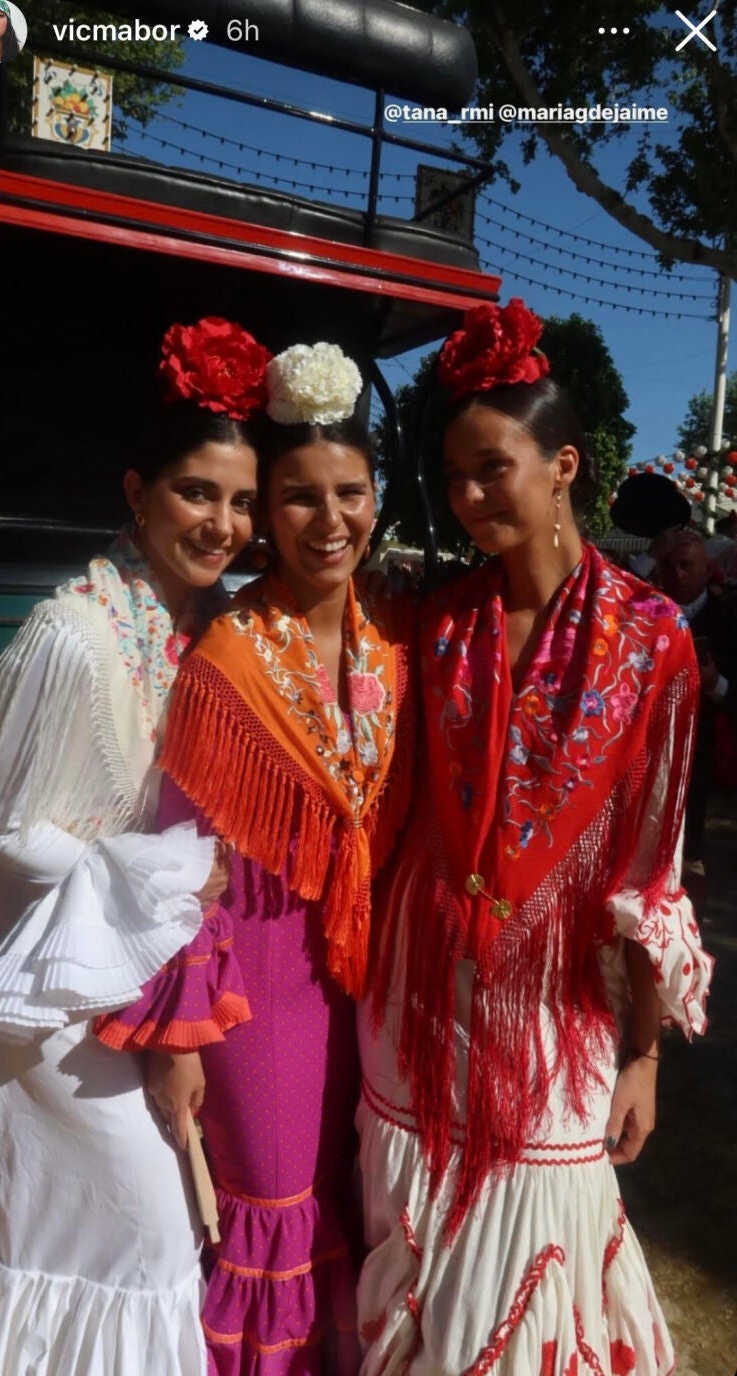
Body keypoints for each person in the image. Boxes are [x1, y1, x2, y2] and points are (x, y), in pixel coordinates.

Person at [357, 300, 713, 1375]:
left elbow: (650, 862)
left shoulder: (653, 642)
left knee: (534, 1247)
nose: (466, 497)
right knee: (412, 1249)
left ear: (561, 464)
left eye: (490, 468)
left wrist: (641, 1052)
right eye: (451, 474)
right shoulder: (431, 616)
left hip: (552, 1004)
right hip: (416, 989)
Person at [0, 315, 271, 1376]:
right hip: (60, 994)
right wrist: (155, 879)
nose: (221, 522)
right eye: (196, 492)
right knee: (128, 1230)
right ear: (136, 491)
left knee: (156, 1224)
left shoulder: (204, 629)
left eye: (239, 500)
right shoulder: (69, 632)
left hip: (159, 983)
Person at [96, 341, 416, 1374]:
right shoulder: (227, 663)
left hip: (358, 991)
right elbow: (180, 866)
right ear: (264, 511)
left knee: (346, 1204)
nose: (330, 522)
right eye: (297, 497)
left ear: (377, 497)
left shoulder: (387, 652)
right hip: (258, 995)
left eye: (350, 492)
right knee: (272, 1214)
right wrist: (179, 1034)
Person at [655, 527, 737, 888]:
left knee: (693, 868)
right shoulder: (647, 614)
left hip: (709, 765)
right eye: (670, 566)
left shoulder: (730, 620)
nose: (678, 574)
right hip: (655, 755)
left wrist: (715, 684)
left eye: (686, 565)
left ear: (706, 570)